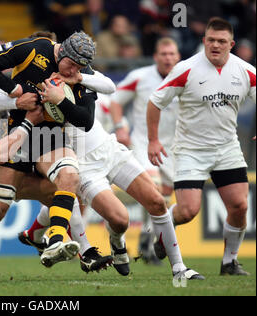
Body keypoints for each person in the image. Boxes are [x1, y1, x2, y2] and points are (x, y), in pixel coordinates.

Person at [0, 31, 98, 276]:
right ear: (61, 51)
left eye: (79, 68)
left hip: (51, 138)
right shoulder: (33, 49)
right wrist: (14, 89)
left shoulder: (83, 73)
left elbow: (86, 120)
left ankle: (55, 241)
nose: (73, 72)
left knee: (70, 176)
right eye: (70, 65)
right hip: (17, 134)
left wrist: (60, 100)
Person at [147, 17, 256, 276]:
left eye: (221, 41)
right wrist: (153, 140)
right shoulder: (186, 69)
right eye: (210, 40)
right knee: (187, 211)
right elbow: (155, 102)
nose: (215, 45)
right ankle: (161, 229)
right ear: (203, 41)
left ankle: (229, 263)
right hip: (190, 151)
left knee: (240, 206)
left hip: (227, 148)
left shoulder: (245, 70)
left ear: (232, 44)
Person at [109, 37, 181, 264]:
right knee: (155, 189)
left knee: (163, 200)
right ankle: (149, 243)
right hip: (144, 142)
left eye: (172, 54)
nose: (168, 58)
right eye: (164, 54)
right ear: (155, 57)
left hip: (174, 146)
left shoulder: (186, 76)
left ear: (178, 56)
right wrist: (120, 127)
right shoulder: (140, 77)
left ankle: (146, 240)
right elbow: (116, 101)